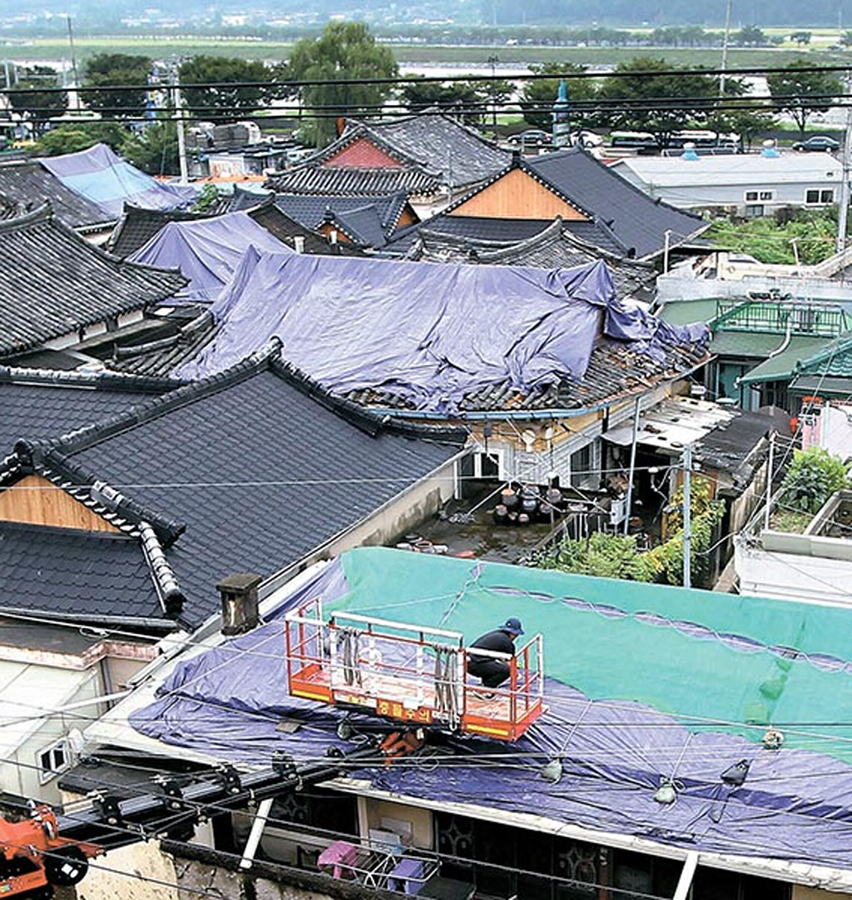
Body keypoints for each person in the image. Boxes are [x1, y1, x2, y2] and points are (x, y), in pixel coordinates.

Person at [467, 617, 524, 691]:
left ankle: (485, 684)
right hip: (475, 664)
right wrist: (516, 674)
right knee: (507, 670)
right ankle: (486, 689)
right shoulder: (507, 643)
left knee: (494, 665)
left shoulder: (496, 634)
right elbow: (510, 663)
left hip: (468, 662)